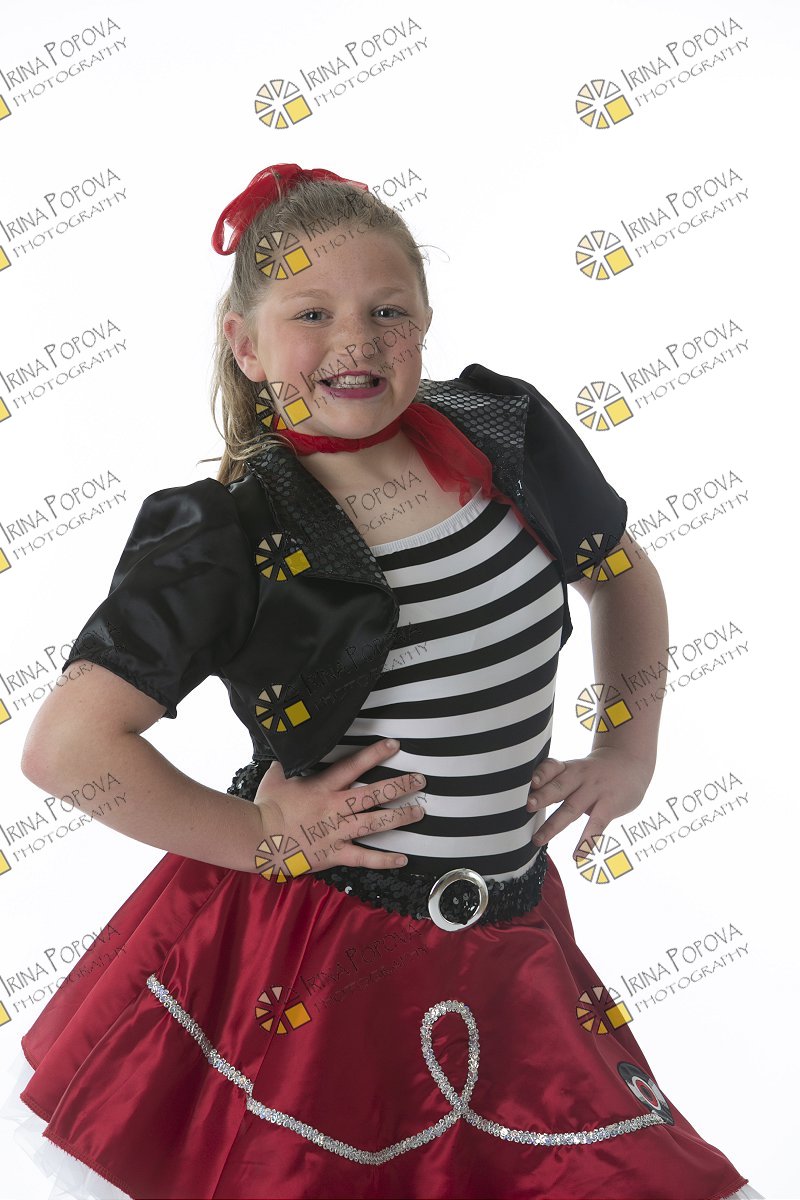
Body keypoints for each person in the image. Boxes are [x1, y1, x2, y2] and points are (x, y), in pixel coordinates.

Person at [0, 164, 760, 1200]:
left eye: (386, 311)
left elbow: (618, 573)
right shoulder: (227, 534)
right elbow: (68, 749)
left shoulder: (504, 434)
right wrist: (264, 838)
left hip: (507, 920)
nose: (354, 341)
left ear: (425, 322)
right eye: (312, 314)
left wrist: (628, 745)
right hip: (317, 946)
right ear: (246, 344)